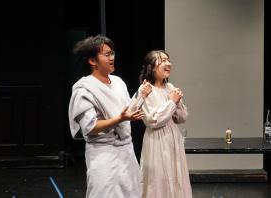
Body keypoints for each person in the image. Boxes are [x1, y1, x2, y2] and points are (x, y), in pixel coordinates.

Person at [68, 34, 152, 198]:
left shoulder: (118, 82)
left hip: (126, 152)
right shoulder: (85, 88)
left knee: (131, 193)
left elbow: (127, 110)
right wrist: (120, 119)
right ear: (92, 61)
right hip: (103, 153)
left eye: (112, 53)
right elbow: (90, 127)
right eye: (106, 54)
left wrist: (141, 95)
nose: (112, 57)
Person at [138, 50, 193, 198]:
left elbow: (182, 118)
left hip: (173, 138)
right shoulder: (146, 90)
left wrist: (178, 103)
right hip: (157, 140)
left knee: (176, 176)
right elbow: (153, 120)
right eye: (163, 60)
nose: (168, 63)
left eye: (168, 60)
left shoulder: (170, 87)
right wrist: (171, 102)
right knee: (159, 180)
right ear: (151, 67)